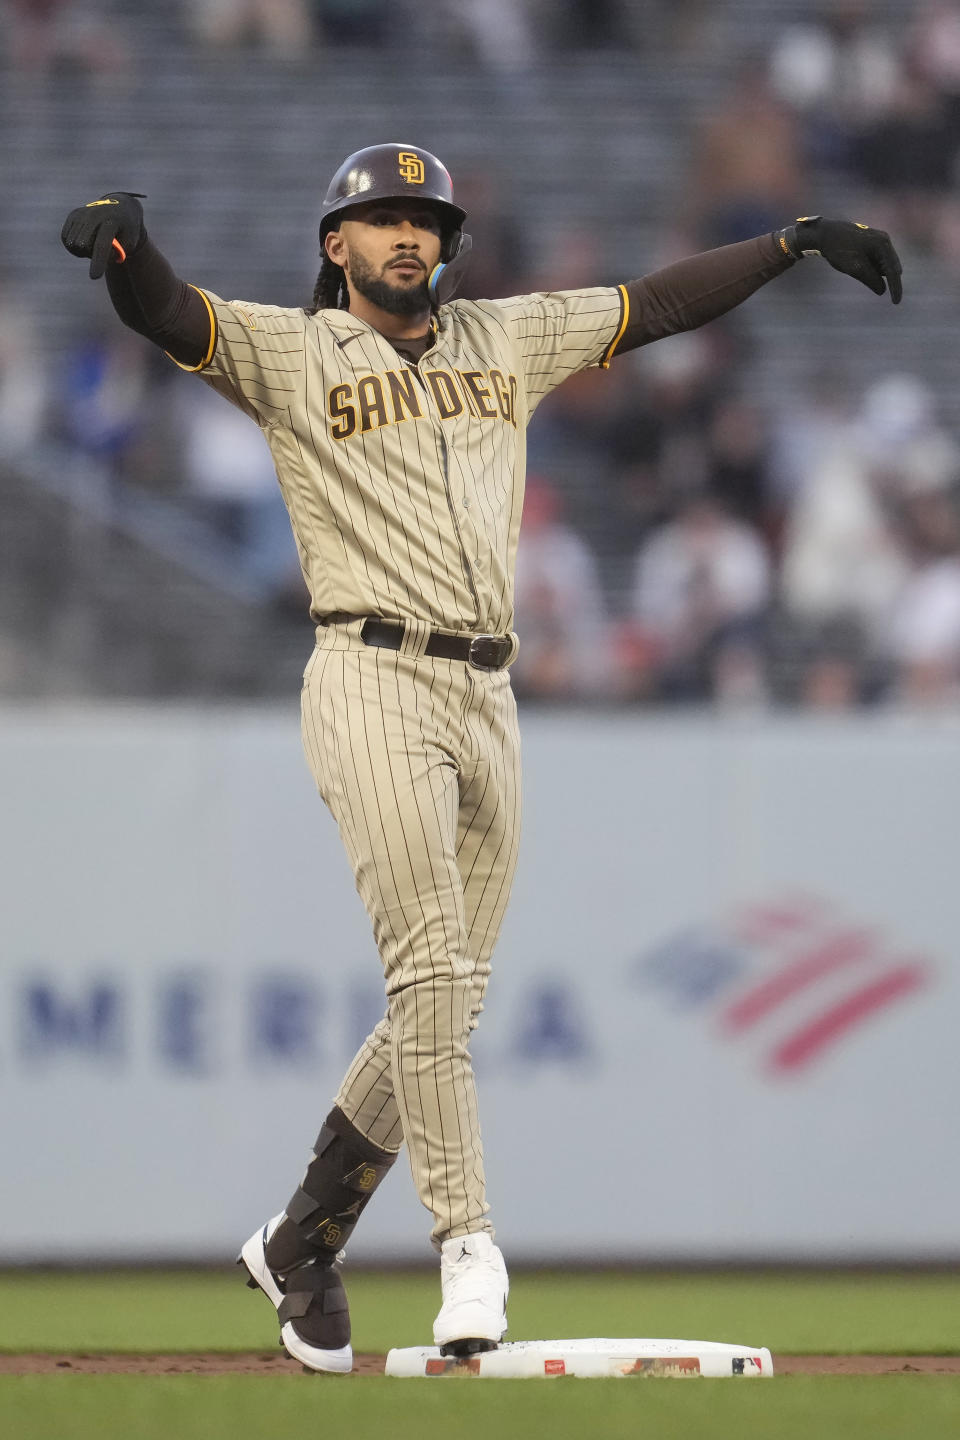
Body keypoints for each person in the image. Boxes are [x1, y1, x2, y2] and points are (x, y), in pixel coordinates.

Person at [60, 145, 903, 1373]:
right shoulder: (294, 354)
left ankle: (303, 1236)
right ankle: (468, 1244)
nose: (408, 234)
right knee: (428, 973)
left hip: (489, 690)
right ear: (334, 245)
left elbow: (652, 305)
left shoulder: (503, 338)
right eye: (381, 218)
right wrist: (126, 248)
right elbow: (171, 313)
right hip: (370, 670)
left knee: (451, 995)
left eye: (425, 218)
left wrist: (785, 245)